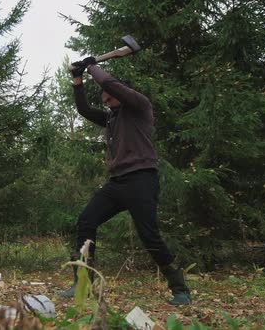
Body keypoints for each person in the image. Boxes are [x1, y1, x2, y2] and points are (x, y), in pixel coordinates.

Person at [59, 57, 191, 306]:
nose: (107, 103)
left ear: (121, 92)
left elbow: (110, 82)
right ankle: (82, 283)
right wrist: (77, 81)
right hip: (117, 183)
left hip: (142, 178)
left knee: (149, 236)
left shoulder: (139, 106)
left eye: (110, 98)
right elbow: (85, 110)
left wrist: (91, 67)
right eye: (105, 101)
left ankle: (179, 288)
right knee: (86, 220)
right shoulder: (112, 118)